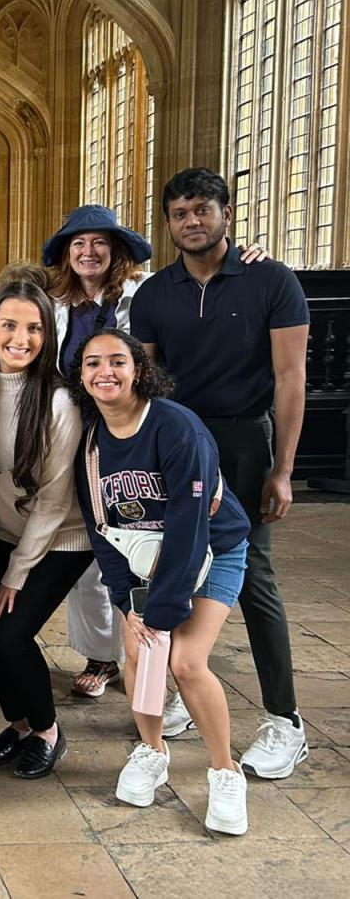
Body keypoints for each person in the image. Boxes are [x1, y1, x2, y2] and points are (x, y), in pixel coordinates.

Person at [131, 167, 310, 779]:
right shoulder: (155, 294)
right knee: (168, 562)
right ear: (169, 222)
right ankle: (175, 693)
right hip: (178, 438)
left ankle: (285, 720)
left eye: (202, 210)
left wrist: (283, 470)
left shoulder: (270, 280)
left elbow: (290, 380)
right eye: (180, 213)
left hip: (242, 438)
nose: (192, 222)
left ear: (226, 213)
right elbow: (147, 384)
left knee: (253, 571)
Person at [71, 328, 252, 835]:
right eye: (91, 364)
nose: (104, 372)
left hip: (212, 550)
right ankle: (152, 751)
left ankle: (224, 770)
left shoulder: (176, 428)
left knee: (186, 662)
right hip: (142, 558)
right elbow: (101, 530)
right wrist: (126, 602)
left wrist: (162, 612)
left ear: (138, 370)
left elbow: (190, 526)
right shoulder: (90, 447)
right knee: (138, 654)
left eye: (116, 361)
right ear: (81, 377)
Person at [0, 281, 93, 779]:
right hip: (11, 528)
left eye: (34, 328)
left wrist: (13, 574)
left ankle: (49, 732)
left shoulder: (59, 402)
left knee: (10, 634)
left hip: (62, 536)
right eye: (9, 325)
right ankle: (20, 726)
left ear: (48, 335)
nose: (21, 338)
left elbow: (55, 503)